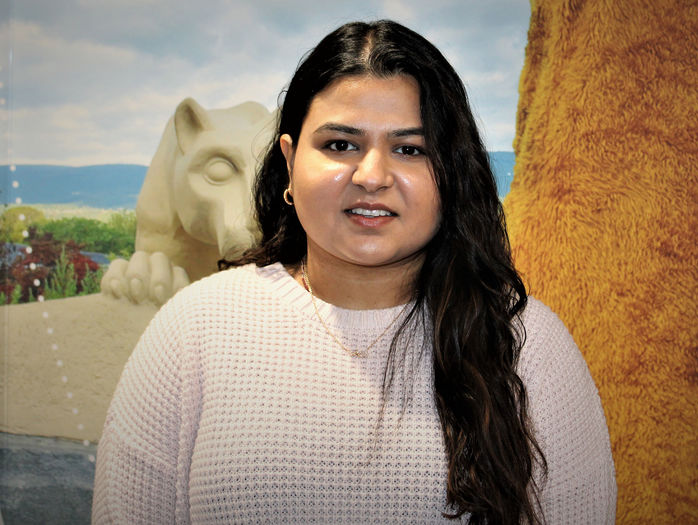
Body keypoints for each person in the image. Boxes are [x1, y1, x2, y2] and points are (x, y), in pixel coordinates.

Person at [92, 20, 616, 524]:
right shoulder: (194, 329)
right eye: (340, 145)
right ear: (290, 162)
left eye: (409, 149)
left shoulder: (528, 344)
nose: (371, 176)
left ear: (452, 174)